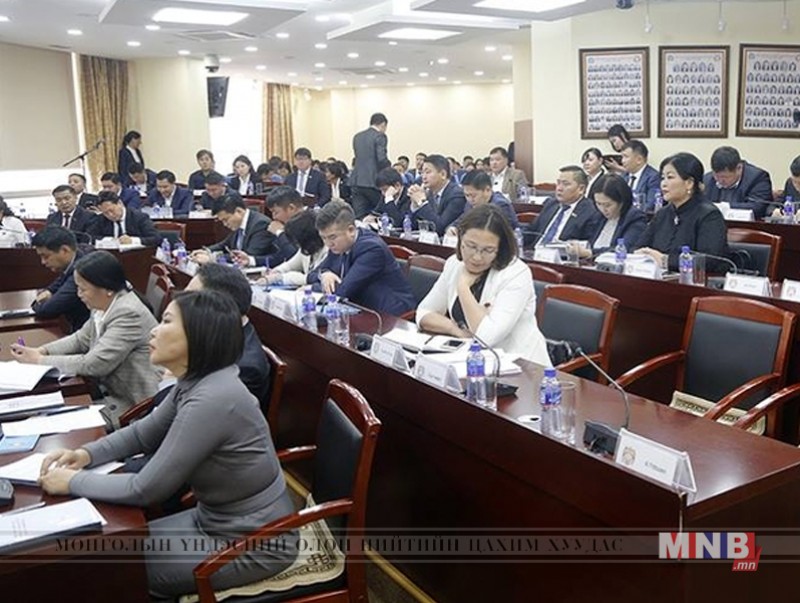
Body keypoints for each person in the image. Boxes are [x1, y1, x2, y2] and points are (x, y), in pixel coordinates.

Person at [37, 290, 298, 599]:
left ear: (197, 336)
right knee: (102, 554)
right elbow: (141, 434)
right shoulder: (198, 381)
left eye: (166, 322)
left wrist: (72, 482)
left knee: (114, 572)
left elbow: (145, 489)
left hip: (254, 542)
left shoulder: (213, 398)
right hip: (212, 521)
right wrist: (85, 454)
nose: (153, 330)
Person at [11, 251, 162, 426]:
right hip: (107, 393)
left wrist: (39, 360)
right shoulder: (103, 304)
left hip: (131, 407)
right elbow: (80, 339)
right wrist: (42, 351)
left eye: (83, 289)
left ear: (107, 289)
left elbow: (94, 364)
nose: (78, 294)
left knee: (55, 424)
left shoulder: (128, 313)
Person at [417, 204, 551, 366]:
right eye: (471, 246)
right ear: (460, 239)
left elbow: (485, 338)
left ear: (500, 249)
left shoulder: (516, 273)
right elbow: (423, 313)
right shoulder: (454, 264)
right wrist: (454, 329)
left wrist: (463, 288)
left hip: (521, 365)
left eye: (488, 250)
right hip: (469, 360)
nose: (477, 257)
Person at [185, 264, 270, 406]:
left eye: (191, 299)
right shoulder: (216, 333)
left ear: (220, 306)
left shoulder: (245, 368)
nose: (182, 304)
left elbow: (201, 411)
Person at [315, 199, 415, 315]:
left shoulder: (372, 249)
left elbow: (342, 291)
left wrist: (311, 288)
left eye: (332, 237)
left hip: (392, 315)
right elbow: (313, 274)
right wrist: (325, 274)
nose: (328, 244)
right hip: (361, 308)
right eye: (323, 238)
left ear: (351, 230)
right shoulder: (339, 245)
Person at [637, 152, 728, 272]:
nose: (663, 184)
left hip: (693, 281)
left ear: (689, 183)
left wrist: (666, 260)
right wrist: (641, 253)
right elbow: (639, 246)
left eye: (670, 177)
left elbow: (709, 260)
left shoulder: (709, 215)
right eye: (663, 178)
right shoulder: (662, 213)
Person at [523, 166, 602, 247]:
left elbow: (587, 246)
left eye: (565, 184)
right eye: (558, 183)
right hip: (534, 251)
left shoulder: (591, 212)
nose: (559, 188)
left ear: (581, 189)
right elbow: (531, 231)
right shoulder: (551, 204)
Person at [31, 226, 90, 331]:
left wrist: (37, 304)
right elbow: (61, 280)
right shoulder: (79, 254)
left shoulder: (83, 270)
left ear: (64, 250)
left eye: (46, 256)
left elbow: (47, 310)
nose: (43, 262)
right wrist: (49, 291)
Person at [576, 174, 646, 257]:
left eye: (607, 205)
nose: (603, 209)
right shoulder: (598, 215)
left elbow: (623, 249)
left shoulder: (635, 218)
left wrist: (589, 253)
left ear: (621, 201)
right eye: (598, 204)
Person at [190, 193, 273, 264]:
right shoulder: (238, 223)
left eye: (226, 219)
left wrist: (213, 258)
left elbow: (247, 256)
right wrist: (207, 251)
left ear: (238, 211)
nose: (224, 224)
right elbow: (225, 244)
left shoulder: (260, 224)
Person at [230, 186, 301, 268]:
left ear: (291, 208)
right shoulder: (288, 225)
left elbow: (294, 257)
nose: (274, 217)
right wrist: (250, 260)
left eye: (276, 212)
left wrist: (279, 233)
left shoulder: (310, 223)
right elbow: (279, 258)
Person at [702, 146, 773, 219]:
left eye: (725, 177)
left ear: (739, 168)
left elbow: (759, 207)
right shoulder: (707, 180)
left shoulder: (757, 178)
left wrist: (725, 207)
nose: (720, 181)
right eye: (716, 176)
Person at [260, 210, 328, 286]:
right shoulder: (305, 249)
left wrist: (280, 278)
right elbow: (290, 266)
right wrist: (275, 272)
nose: (296, 244)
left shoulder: (327, 250)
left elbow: (311, 278)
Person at [407, 154, 467, 236]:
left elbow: (440, 228)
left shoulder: (457, 195)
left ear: (443, 174)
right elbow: (412, 227)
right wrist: (415, 204)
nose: (423, 177)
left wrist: (422, 202)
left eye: (428, 172)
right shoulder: (429, 193)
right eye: (422, 173)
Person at [89, 190, 163, 247]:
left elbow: (156, 239)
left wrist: (132, 240)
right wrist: (110, 240)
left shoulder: (139, 217)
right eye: (105, 213)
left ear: (120, 203)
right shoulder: (101, 219)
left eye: (112, 210)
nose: (110, 215)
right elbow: (90, 237)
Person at [350, 112, 390, 218]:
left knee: (359, 216)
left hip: (356, 180)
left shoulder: (357, 137)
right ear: (383, 124)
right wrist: (390, 171)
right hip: (373, 181)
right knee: (379, 214)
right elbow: (381, 159)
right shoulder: (380, 136)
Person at [620, 140, 660, 211]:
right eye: (622, 157)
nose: (622, 161)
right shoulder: (623, 176)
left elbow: (650, 205)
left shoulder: (653, 177)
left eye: (626, 157)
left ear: (639, 159)